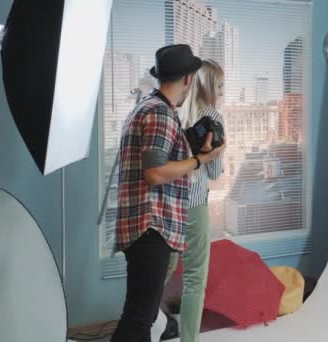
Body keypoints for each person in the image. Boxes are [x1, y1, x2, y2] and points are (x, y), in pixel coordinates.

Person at [110, 44, 225, 342]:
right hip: (152, 227)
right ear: (188, 79)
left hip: (143, 227)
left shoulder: (147, 107)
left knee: (141, 316)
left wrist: (190, 151)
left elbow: (158, 163)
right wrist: (201, 160)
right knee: (138, 319)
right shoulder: (160, 113)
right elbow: (155, 172)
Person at [165, 59, 226, 342]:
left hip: (167, 205)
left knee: (158, 274)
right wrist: (218, 154)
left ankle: (146, 328)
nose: (223, 91)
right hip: (195, 206)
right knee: (194, 281)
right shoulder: (212, 116)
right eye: (221, 85)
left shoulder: (171, 112)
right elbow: (213, 172)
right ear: (209, 86)